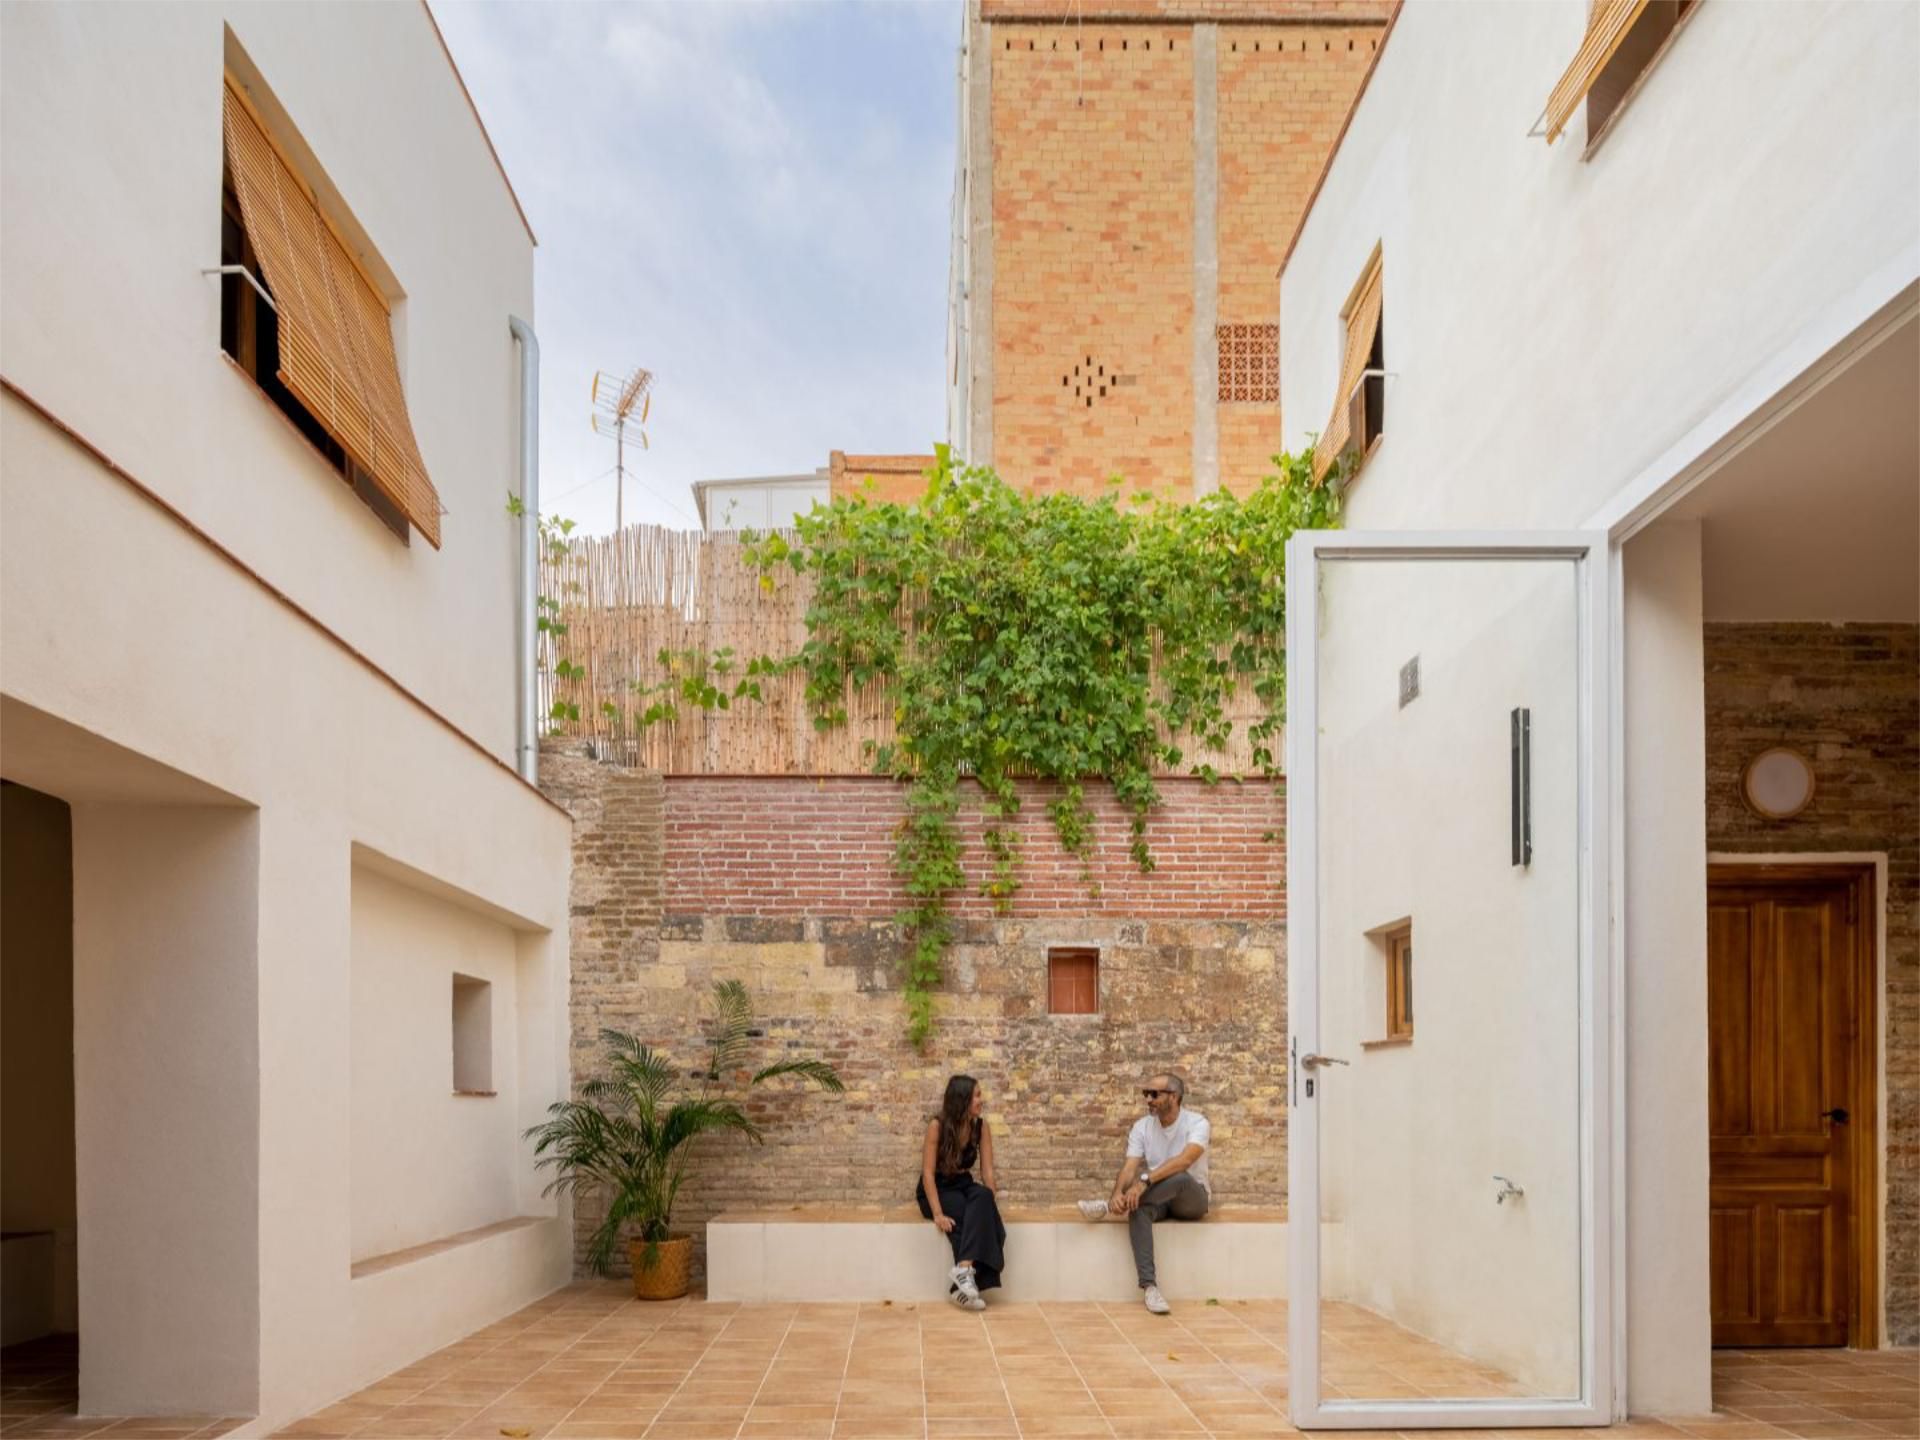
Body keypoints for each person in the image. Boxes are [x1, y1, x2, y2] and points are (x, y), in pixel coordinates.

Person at [1076, 1071, 1210, 1314]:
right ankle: (1150, 1287)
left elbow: (1184, 1161)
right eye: (1145, 1094)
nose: (1148, 1099)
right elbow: (1129, 1167)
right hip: (1159, 1199)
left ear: (1175, 1096)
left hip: (1191, 1199)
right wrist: (1118, 1194)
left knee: (1178, 1176)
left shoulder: (1198, 1123)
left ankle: (1105, 1210)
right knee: (1137, 1209)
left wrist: (1144, 1183)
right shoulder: (1142, 1127)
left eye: (1154, 1094)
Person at [917, 1073, 1006, 1310]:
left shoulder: (981, 1126)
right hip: (936, 1188)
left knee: (984, 1198)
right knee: (965, 1216)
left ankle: (963, 1274)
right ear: (963, 1099)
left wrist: (990, 1210)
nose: (981, 1100)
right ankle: (964, 1285)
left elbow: (987, 1172)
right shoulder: (937, 1126)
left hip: (962, 1184)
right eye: (977, 1095)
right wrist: (937, 1213)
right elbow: (927, 1174)